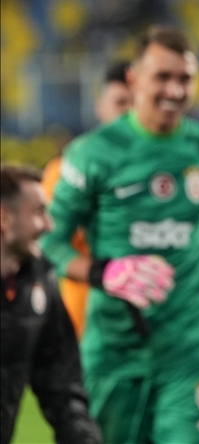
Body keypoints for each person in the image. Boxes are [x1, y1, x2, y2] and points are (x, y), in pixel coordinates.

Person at [41, 26, 199, 443]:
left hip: (187, 349)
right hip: (114, 350)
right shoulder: (93, 153)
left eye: (185, 79)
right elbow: (49, 241)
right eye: (162, 77)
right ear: (134, 79)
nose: (175, 90)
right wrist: (102, 272)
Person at [1, 165, 102, 444]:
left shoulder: (38, 281)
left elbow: (61, 385)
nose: (49, 225)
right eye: (38, 212)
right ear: (3, 218)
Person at [41, 59, 133, 339]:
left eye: (135, 103)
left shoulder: (162, 175)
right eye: (120, 102)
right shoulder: (64, 172)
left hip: (151, 327)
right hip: (84, 324)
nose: (128, 112)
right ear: (100, 106)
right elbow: (48, 246)